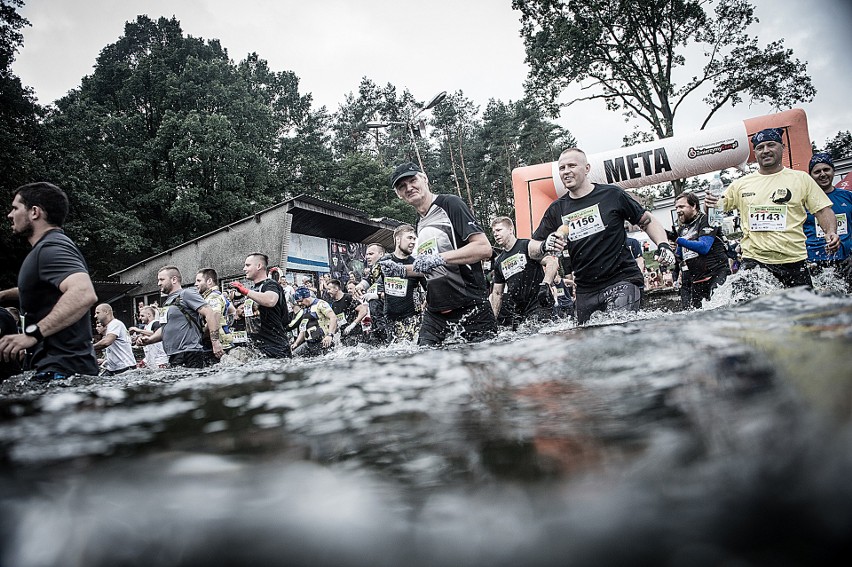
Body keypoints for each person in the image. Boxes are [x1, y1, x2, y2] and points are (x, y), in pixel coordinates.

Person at [529, 148, 675, 324]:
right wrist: (545, 244)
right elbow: (532, 248)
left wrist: (663, 245)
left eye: (572, 165)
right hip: (586, 290)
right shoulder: (556, 209)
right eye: (562, 168)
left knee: (619, 329)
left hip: (622, 280)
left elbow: (647, 221)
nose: (566, 171)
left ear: (587, 168)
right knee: (592, 346)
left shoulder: (612, 195)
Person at [704, 128, 839, 287]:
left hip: (793, 260)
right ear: (755, 152)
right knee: (749, 309)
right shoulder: (741, 184)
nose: (765, 151)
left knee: (803, 310)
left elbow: (823, 210)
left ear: (782, 147)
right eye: (760, 147)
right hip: (755, 260)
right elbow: (715, 213)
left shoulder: (801, 179)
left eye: (771, 145)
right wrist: (709, 206)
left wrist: (830, 232)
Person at [381, 162, 497, 346]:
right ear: (399, 195)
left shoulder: (450, 204)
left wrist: (439, 258)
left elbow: (484, 248)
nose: (409, 188)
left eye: (413, 180)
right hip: (436, 312)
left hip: (470, 305)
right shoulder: (419, 223)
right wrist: (401, 270)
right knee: (426, 366)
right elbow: (429, 268)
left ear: (425, 179)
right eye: (402, 187)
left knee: (480, 368)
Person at [0, 182, 99, 379]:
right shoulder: (51, 247)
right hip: (58, 369)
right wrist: (4, 295)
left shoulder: (51, 248)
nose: (10, 215)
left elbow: (83, 293)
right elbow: (45, 290)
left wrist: (31, 335)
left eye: (15, 208)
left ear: (34, 212)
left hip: (61, 371)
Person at [141, 266, 223, 368]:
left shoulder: (186, 293)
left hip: (190, 353)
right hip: (174, 355)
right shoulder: (167, 303)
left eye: (162, 279)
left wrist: (215, 342)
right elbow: (165, 329)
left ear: (174, 279)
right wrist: (149, 340)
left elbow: (210, 313)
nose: (159, 283)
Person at [489, 216, 551, 329]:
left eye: (498, 230)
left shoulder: (526, 245)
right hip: (519, 312)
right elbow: (497, 293)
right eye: (493, 232)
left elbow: (551, 262)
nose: (495, 234)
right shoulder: (499, 261)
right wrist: (493, 321)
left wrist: (546, 284)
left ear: (511, 229)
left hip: (539, 304)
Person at [673, 192, 731, 308]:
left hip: (716, 274)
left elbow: (704, 247)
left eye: (681, 206)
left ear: (694, 205)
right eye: (676, 208)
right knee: (698, 318)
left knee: (720, 311)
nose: (678, 210)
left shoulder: (707, 219)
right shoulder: (682, 229)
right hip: (697, 280)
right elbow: (679, 255)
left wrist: (678, 240)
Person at [229, 253, 291, 359]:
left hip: (275, 348)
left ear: (258, 266)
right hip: (257, 348)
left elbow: (270, 300)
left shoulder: (270, 284)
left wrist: (245, 290)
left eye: (247, 265)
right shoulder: (253, 289)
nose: (244, 269)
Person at [804, 153, 852, 288]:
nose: (822, 174)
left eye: (826, 169)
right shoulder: (803, 201)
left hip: (845, 260)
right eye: (817, 171)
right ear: (811, 176)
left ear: (833, 171)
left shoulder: (848, 197)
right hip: (813, 261)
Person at [381, 224, 427, 342]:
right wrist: (360, 286)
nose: (412, 242)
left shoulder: (416, 263)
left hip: (411, 317)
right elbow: (371, 276)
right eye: (409, 238)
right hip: (389, 318)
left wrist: (426, 302)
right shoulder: (386, 260)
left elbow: (429, 287)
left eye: (414, 239)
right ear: (398, 239)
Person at [195, 268, 235, 363]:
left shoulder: (212, 297)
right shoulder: (219, 295)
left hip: (218, 347)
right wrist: (225, 326)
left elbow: (213, 317)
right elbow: (232, 311)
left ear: (209, 281)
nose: (195, 284)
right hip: (224, 343)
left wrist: (202, 335)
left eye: (199, 281)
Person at [291, 287, 338, 357]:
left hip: (323, 342)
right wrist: (296, 343)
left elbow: (333, 317)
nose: (299, 304)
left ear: (307, 297)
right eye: (297, 302)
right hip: (309, 343)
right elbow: (303, 329)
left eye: (301, 301)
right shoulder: (304, 309)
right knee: (293, 356)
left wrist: (330, 335)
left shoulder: (320, 304)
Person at [93, 303, 137, 376]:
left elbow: (106, 342)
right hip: (113, 369)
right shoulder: (111, 326)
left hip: (125, 368)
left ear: (106, 312)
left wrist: (89, 348)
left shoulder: (115, 324)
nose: (95, 316)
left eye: (97, 313)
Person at [327, 278, 368, 345]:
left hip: (355, 335)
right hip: (344, 336)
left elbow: (363, 310)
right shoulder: (334, 304)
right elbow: (336, 322)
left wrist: (352, 325)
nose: (328, 291)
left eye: (329, 289)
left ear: (336, 288)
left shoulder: (348, 298)